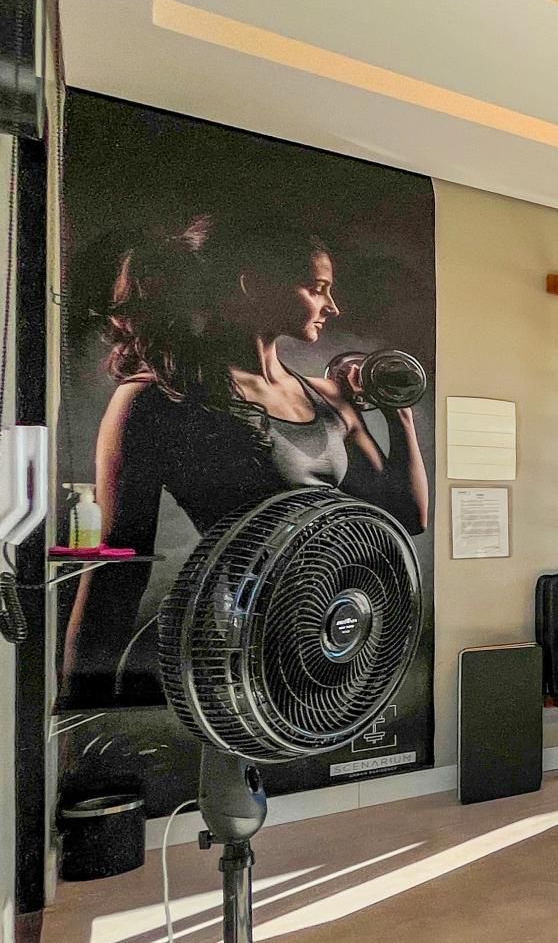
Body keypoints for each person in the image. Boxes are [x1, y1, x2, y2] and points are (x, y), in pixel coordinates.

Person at [62, 215, 430, 703]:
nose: (332, 306)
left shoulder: (327, 397)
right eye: (317, 288)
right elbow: (119, 569)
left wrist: (397, 411)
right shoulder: (156, 400)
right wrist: (80, 701)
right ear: (254, 284)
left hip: (343, 630)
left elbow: (407, 517)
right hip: (242, 644)